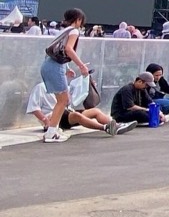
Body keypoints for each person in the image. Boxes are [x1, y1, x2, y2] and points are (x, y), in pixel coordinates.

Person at [39, 8, 89, 142]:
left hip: (49, 65)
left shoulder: (63, 31)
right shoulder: (74, 31)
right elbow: (68, 49)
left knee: (62, 100)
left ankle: (53, 129)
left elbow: (55, 50)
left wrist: (66, 68)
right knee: (63, 100)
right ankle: (51, 132)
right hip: (55, 67)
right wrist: (81, 66)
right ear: (78, 20)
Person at [26, 80, 134, 136]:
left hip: (67, 112)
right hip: (52, 117)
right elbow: (34, 107)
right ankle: (105, 128)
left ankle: (116, 125)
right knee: (76, 115)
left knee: (95, 111)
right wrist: (45, 121)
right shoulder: (40, 87)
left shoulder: (63, 86)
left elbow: (71, 100)